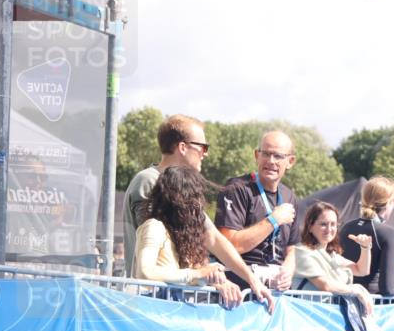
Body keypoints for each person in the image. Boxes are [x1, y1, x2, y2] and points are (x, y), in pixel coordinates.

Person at [134, 166, 274, 312]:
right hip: (152, 311)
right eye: (191, 199)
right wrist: (198, 274)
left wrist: (218, 282)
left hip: (170, 311)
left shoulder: (182, 236)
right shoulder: (154, 226)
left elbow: (189, 275)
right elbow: (145, 272)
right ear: (176, 200)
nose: (197, 207)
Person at [123, 114, 210, 276]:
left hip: (168, 297)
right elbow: (146, 270)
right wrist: (197, 274)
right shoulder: (148, 182)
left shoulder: (177, 192)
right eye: (203, 147)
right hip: (148, 297)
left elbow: (212, 238)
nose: (206, 154)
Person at [215, 131, 300, 291]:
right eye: (266, 154)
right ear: (256, 155)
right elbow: (230, 246)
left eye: (278, 156)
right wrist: (273, 220)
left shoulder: (289, 196)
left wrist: (288, 269)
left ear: (290, 161)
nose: (270, 161)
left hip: (276, 290)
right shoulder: (236, 188)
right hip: (240, 289)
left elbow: (291, 248)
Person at [294, 201, 375, 315]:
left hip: (330, 318)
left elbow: (361, 270)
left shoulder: (331, 255)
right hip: (308, 318)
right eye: (323, 224)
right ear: (310, 226)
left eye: (333, 224)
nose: (329, 229)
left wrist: (365, 247)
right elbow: (325, 285)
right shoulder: (302, 251)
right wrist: (356, 290)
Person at [339, 176, 394, 297]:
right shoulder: (388, 233)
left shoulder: (346, 227)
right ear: (388, 203)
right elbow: (387, 289)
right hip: (374, 303)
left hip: (344, 300)